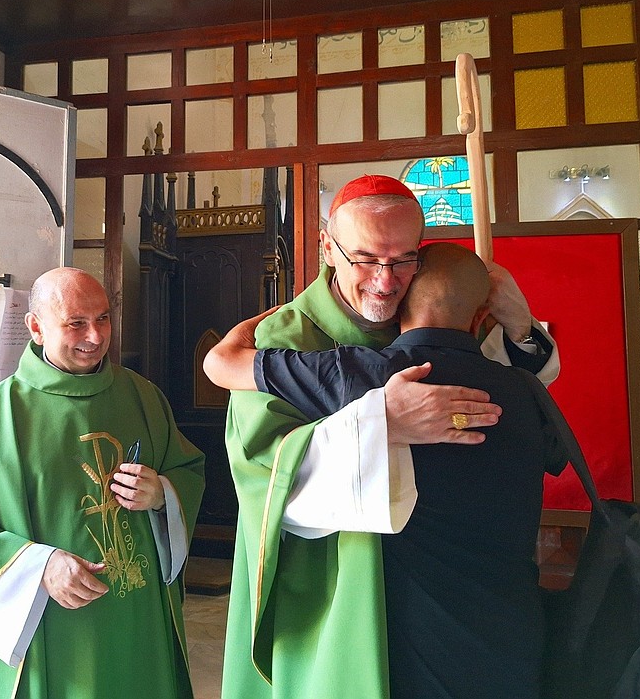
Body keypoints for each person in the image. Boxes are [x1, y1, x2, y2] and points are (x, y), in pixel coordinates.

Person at [209, 174, 560, 699]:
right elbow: (265, 472)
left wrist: (521, 328)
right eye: (366, 259)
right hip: (335, 580)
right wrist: (380, 426)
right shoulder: (286, 338)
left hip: (450, 588)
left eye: (402, 259)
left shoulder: (446, 310)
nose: (385, 281)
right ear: (328, 248)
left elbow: (517, 388)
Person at [0, 267, 205, 699]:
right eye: (75, 323)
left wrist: (163, 493)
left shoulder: (142, 396)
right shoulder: (1, 414)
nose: (95, 336)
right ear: (35, 327)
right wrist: (38, 566)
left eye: (103, 318)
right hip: (53, 622)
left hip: (137, 615)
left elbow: (188, 470)